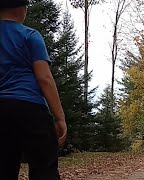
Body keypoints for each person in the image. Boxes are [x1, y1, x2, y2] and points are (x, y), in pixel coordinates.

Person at [0, 0, 67, 179]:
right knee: (44, 168)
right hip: (30, 109)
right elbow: (44, 78)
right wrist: (60, 118)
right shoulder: (30, 35)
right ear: (23, 9)